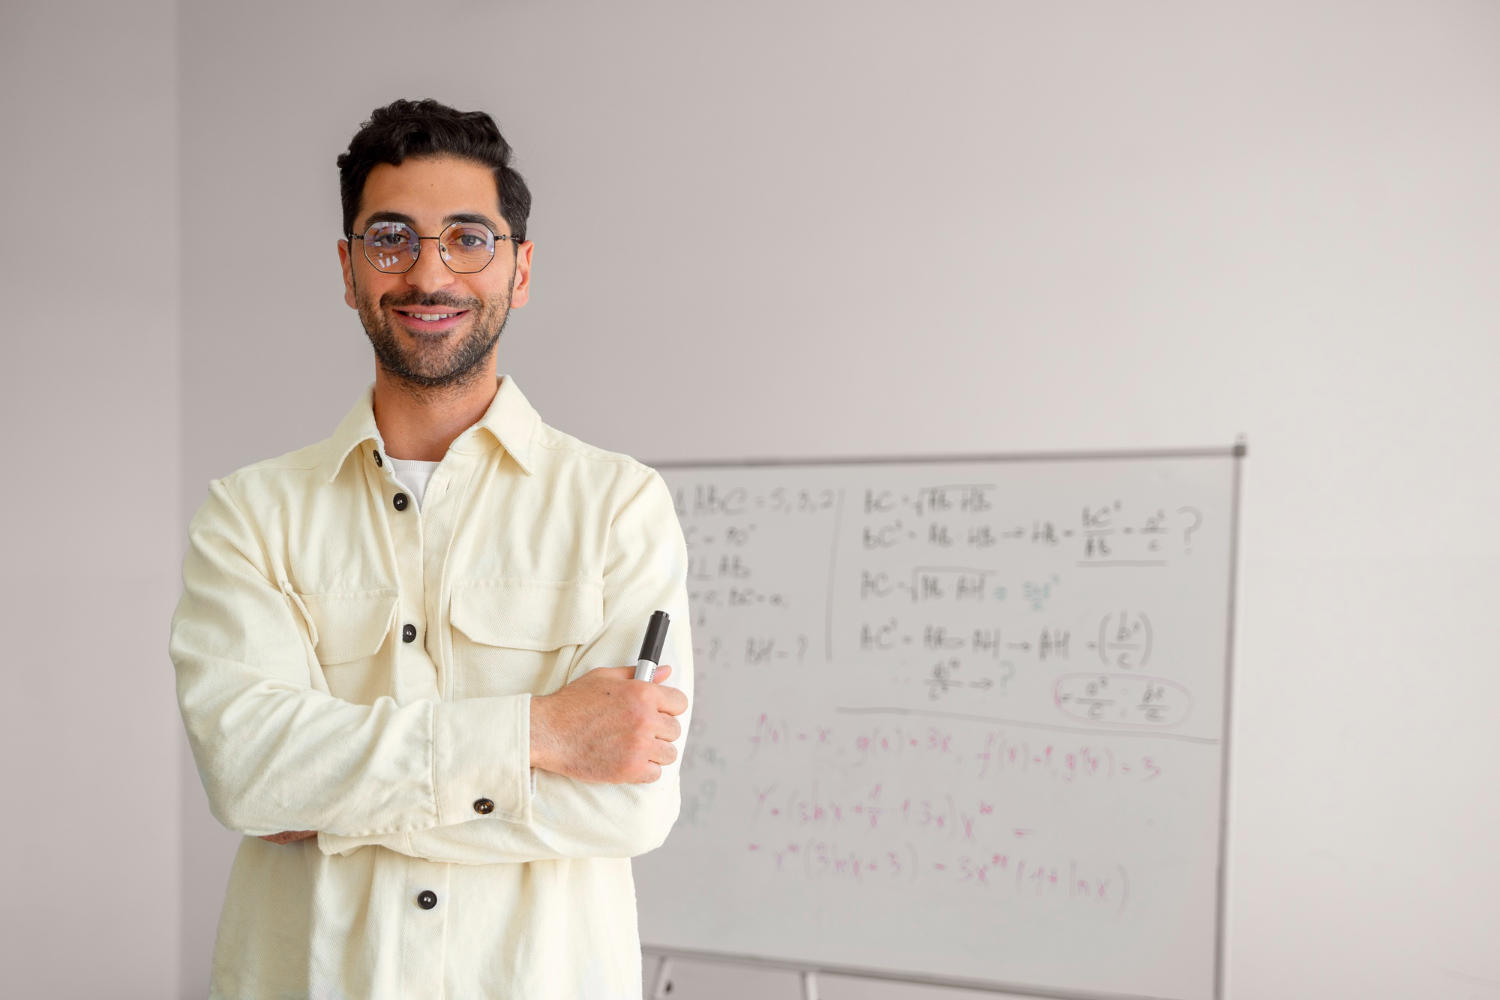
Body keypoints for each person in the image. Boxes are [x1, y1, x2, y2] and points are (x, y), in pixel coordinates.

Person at [169, 98, 693, 999]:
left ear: (520, 269)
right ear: (348, 268)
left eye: (468, 238)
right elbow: (249, 776)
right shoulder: (250, 514)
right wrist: (543, 733)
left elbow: (629, 805)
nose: (428, 272)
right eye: (391, 238)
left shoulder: (618, 506)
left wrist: (331, 797)